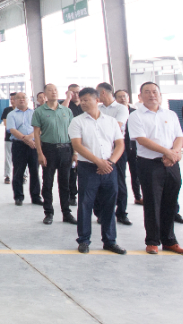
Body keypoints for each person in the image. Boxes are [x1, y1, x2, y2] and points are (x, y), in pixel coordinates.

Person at [127, 82, 183, 255]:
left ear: (160, 95)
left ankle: (169, 241)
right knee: (152, 203)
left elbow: (179, 136)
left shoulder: (170, 114)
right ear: (140, 96)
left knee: (171, 202)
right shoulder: (136, 116)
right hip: (149, 164)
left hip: (171, 163)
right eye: (147, 92)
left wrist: (174, 153)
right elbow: (142, 139)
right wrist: (167, 152)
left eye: (155, 92)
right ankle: (152, 241)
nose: (151, 95)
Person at [69, 88, 126, 255]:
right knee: (85, 204)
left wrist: (110, 162)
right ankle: (84, 240)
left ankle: (110, 241)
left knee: (109, 204)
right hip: (88, 168)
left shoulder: (111, 121)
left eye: (86, 99)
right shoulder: (77, 121)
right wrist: (98, 162)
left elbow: (120, 144)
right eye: (81, 100)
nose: (83, 103)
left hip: (109, 167)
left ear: (97, 100)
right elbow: (77, 145)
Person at [33, 84, 75, 226]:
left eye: (55, 90)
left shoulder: (66, 111)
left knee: (65, 183)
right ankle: (49, 212)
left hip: (66, 149)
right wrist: (40, 153)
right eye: (50, 90)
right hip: (49, 150)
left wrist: (74, 152)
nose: (53, 92)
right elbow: (37, 134)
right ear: (45, 94)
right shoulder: (39, 111)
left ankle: (66, 213)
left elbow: (73, 132)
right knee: (48, 183)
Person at [95, 83, 132, 226]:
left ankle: (121, 213)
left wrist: (98, 129)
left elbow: (117, 126)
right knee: (100, 181)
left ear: (103, 93)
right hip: (99, 148)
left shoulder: (121, 108)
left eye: (97, 93)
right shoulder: (98, 108)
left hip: (117, 148)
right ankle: (100, 213)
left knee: (119, 180)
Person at [6, 92, 40, 206]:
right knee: (18, 171)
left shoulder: (35, 113)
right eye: (19, 98)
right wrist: (26, 139)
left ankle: (36, 197)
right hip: (18, 145)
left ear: (28, 99)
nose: (22, 100)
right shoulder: (11, 114)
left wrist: (30, 138)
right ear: (14, 101)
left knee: (34, 171)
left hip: (34, 145)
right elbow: (12, 129)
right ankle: (18, 196)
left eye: (24, 97)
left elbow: (38, 129)